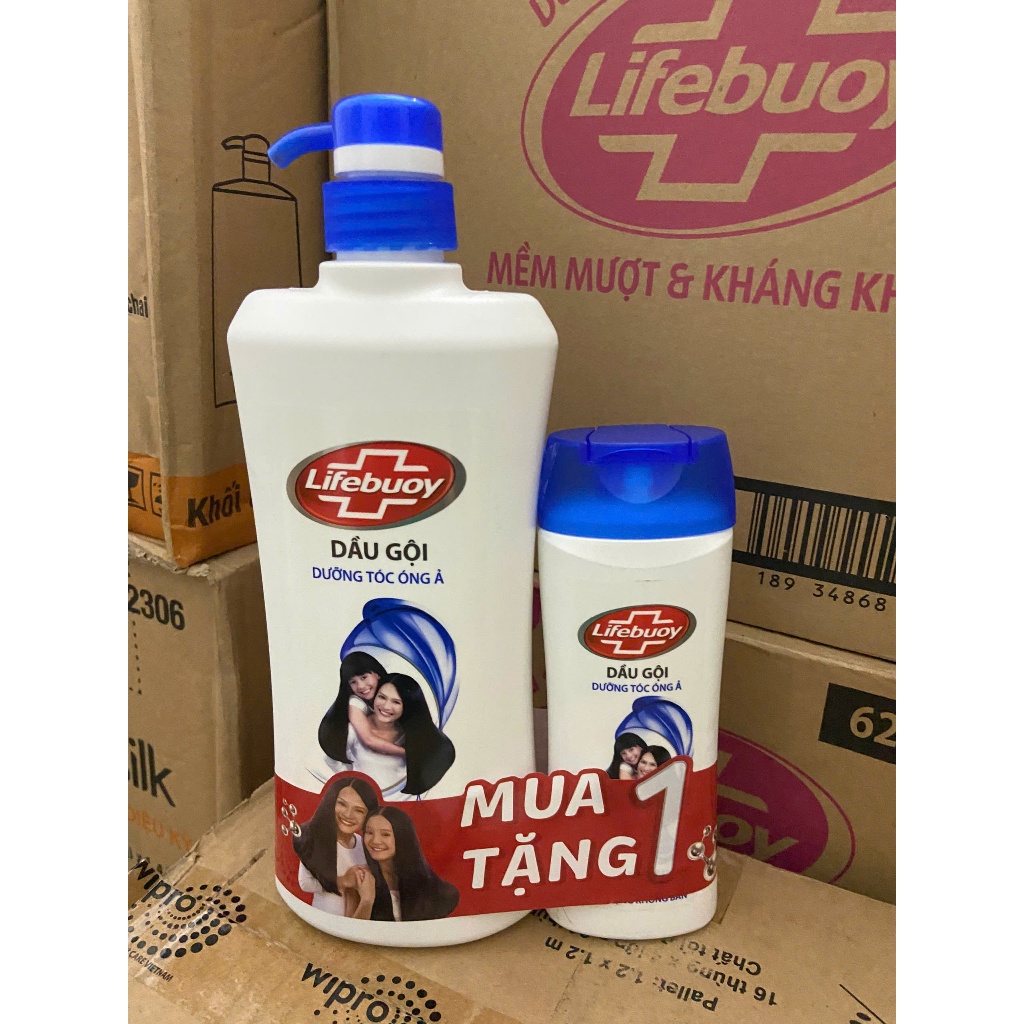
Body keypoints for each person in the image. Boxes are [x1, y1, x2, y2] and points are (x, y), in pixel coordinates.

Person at [348, 673, 456, 796]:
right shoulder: (353, 731)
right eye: (382, 697)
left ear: (407, 705)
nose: (386, 706)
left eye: (396, 702)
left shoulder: (411, 736)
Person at [344, 806, 459, 922]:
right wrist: (367, 901)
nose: (375, 841)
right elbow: (349, 929)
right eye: (369, 832)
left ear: (402, 837)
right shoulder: (361, 877)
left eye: (385, 834)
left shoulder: (435, 889)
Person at [293, 777, 379, 916]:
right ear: (331, 803)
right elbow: (305, 883)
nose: (348, 815)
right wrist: (342, 881)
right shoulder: (316, 838)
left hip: (355, 918)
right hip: (323, 915)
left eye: (359, 810)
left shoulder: (363, 844)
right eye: (342, 804)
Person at [318, 652, 403, 766]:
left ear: (377, 674)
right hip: (336, 762)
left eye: (364, 677)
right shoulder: (355, 702)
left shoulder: (388, 690)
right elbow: (369, 740)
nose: (361, 686)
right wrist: (407, 753)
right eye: (353, 682)